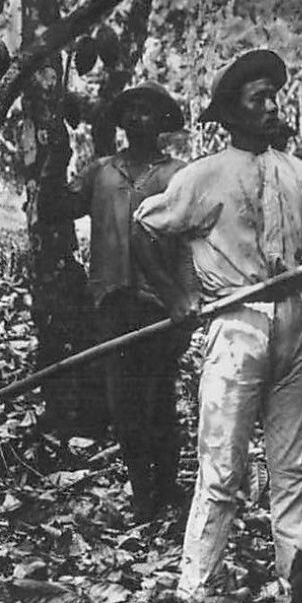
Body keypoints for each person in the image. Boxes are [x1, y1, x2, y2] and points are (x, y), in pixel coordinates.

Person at [134, 49, 302, 603]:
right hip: (236, 325)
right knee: (222, 467)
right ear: (231, 113)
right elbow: (147, 229)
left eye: (274, 96)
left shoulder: (299, 174)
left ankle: (297, 581)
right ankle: (195, 589)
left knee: (294, 467)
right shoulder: (201, 178)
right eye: (259, 100)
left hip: (295, 324)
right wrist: (178, 298)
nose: (271, 107)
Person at [65, 82, 192, 523]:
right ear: (121, 122)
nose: (139, 119)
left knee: (160, 397)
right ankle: (142, 494)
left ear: (162, 123)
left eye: (149, 112)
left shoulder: (178, 174)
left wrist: (186, 300)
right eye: (131, 111)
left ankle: (168, 486)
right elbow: (61, 207)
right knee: (124, 403)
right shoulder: (101, 172)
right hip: (111, 300)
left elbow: (193, 241)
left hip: (160, 303)